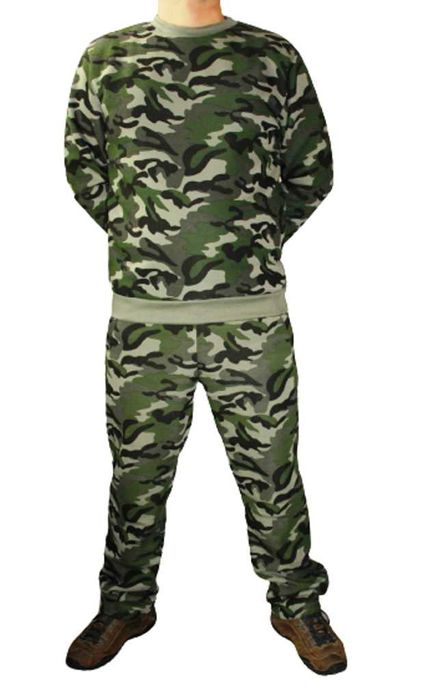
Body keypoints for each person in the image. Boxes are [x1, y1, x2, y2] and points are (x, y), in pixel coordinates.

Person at [63, 0, 347, 675]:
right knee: (136, 474)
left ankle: (296, 601)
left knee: (273, 472)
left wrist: (244, 240)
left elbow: (312, 171)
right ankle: (125, 602)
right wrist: (146, 240)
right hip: (143, 319)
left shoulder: (272, 58)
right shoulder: (106, 59)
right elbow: (84, 171)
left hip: (252, 316)